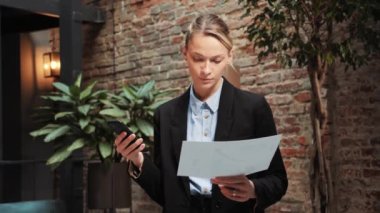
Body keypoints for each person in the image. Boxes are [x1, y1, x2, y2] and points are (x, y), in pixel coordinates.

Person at [115, 14, 287, 213]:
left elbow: (278, 180)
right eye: (198, 59)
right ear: (185, 53)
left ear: (230, 56)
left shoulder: (253, 107)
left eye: (216, 60)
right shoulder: (165, 114)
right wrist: (138, 159)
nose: (206, 70)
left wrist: (253, 189)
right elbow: (166, 193)